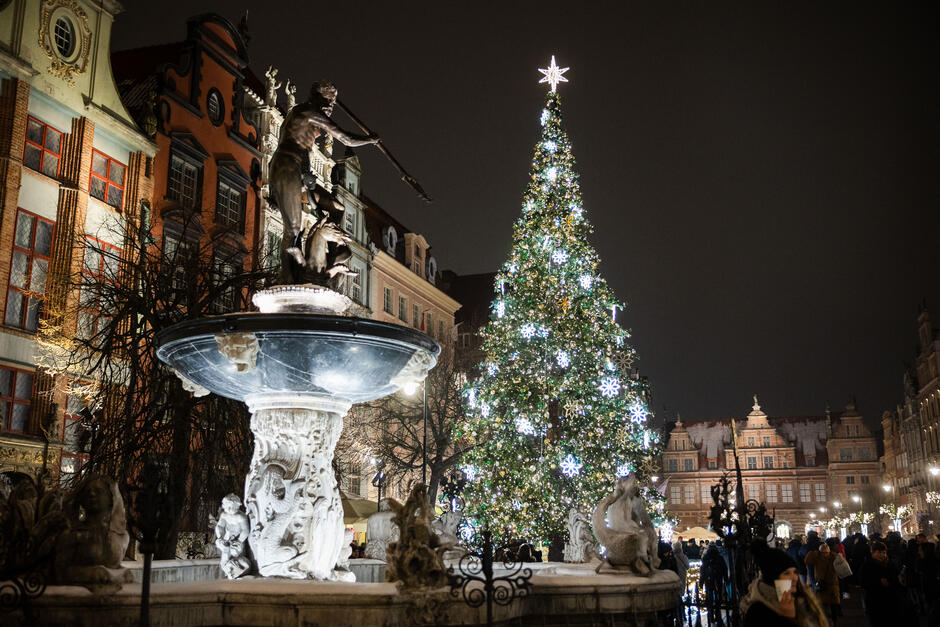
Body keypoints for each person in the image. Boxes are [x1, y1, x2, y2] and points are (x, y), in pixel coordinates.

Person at [741, 541, 829, 627]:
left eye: (795, 572)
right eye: (787, 573)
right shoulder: (758, 612)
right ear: (773, 578)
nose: (794, 577)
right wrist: (788, 617)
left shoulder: (801, 599)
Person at [861, 541, 903, 626]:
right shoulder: (867, 566)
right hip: (875, 602)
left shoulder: (890, 564)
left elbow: (897, 580)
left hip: (891, 601)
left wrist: (890, 582)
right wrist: (877, 582)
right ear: (872, 553)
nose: (882, 555)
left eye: (884, 552)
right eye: (879, 552)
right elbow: (863, 582)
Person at [805, 542, 841, 625]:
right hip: (822, 584)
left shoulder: (833, 557)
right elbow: (807, 560)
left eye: (827, 552)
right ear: (820, 552)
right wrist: (814, 553)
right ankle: (824, 622)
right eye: (823, 553)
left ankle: (834, 621)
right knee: (823, 605)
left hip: (832, 585)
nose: (825, 554)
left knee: (833, 605)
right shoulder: (816, 557)